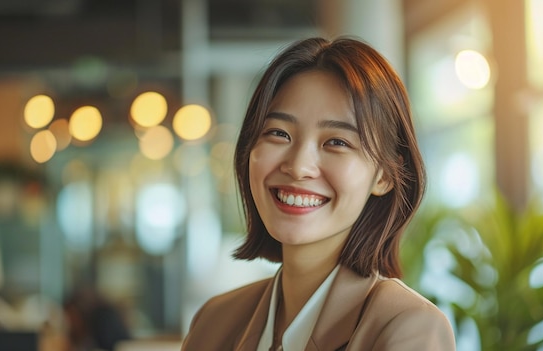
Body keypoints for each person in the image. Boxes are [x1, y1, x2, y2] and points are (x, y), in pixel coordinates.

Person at [182, 37, 456, 350]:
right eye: (278, 133)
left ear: (384, 175)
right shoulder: (214, 321)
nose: (299, 167)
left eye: (337, 142)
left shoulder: (407, 327)